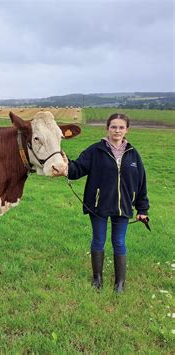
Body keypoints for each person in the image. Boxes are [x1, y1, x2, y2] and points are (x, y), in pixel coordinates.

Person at [63, 113, 149, 293]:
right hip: (98, 205)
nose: (117, 130)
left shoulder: (133, 155)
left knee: (119, 242)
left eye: (121, 127)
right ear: (107, 128)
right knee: (98, 240)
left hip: (123, 206)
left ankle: (120, 283)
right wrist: (65, 166)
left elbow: (141, 183)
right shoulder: (95, 150)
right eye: (113, 127)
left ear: (127, 130)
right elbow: (78, 168)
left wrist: (142, 209)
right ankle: (97, 279)